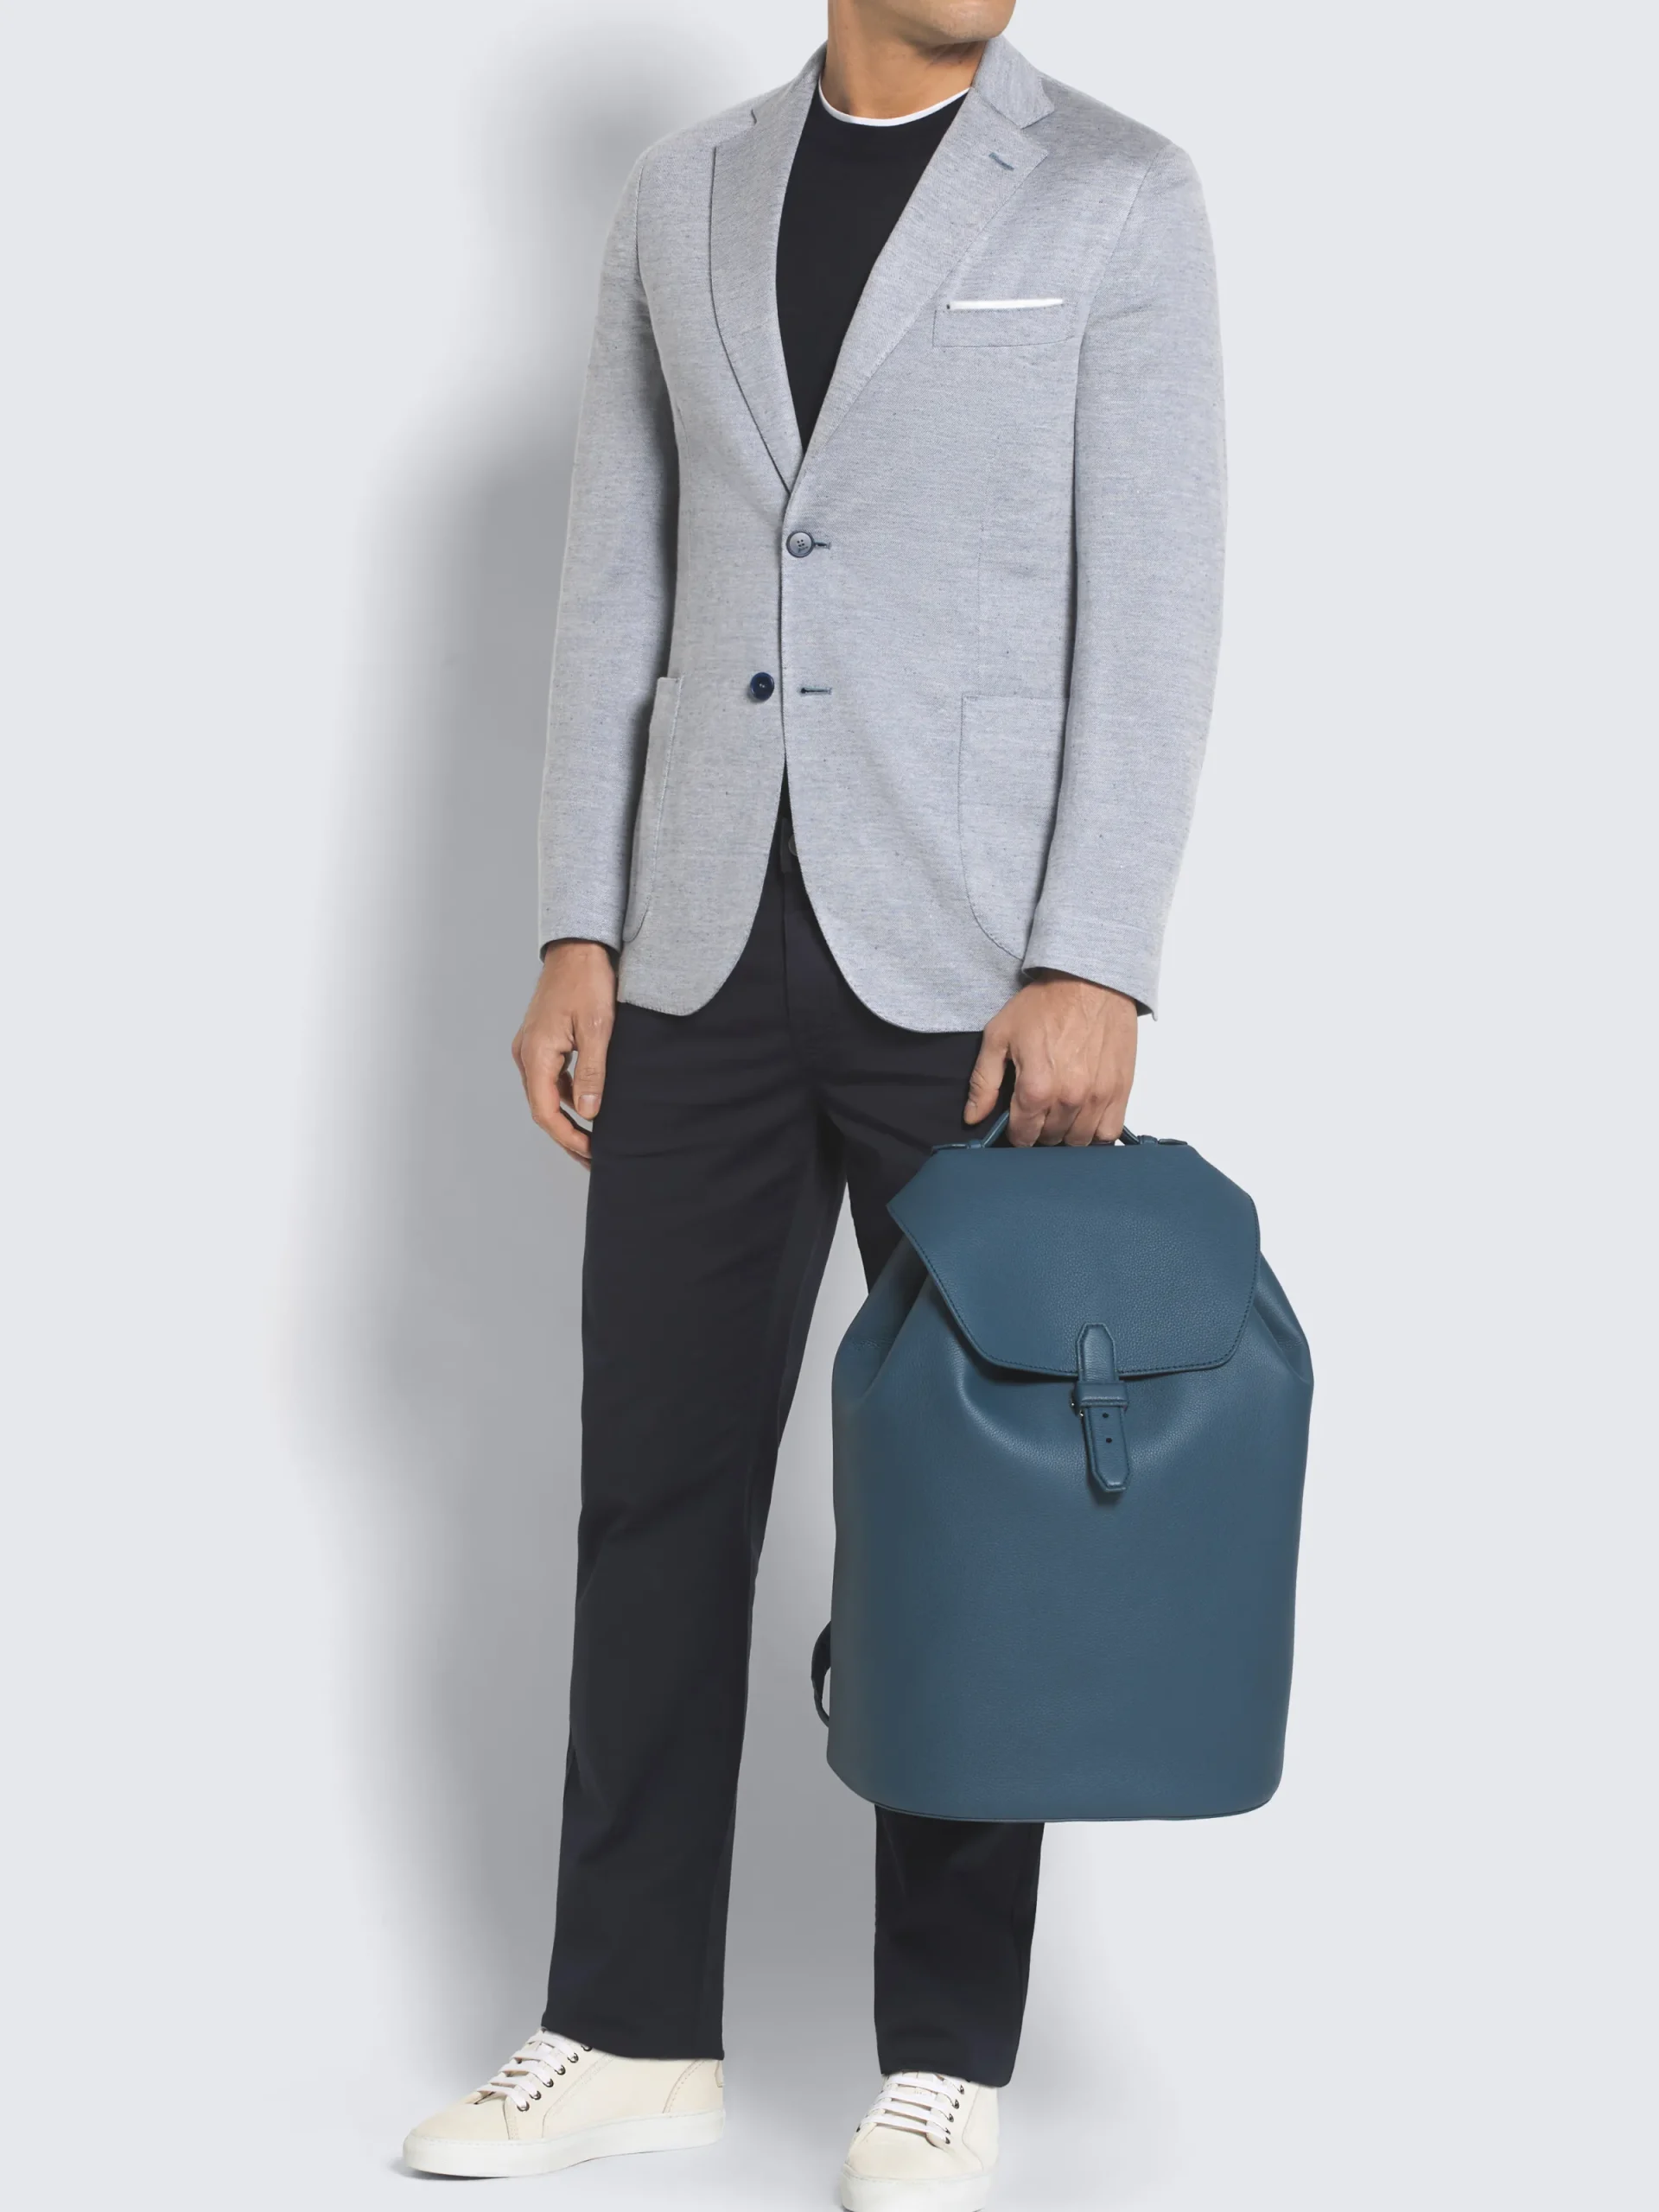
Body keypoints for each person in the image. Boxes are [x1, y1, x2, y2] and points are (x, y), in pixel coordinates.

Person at [404, 1, 1224, 2202]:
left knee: (972, 1510)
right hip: (694, 943)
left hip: (973, 962)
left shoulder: (1119, 195)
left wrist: (1095, 953)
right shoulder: (681, 195)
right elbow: (622, 574)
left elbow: (1155, 606)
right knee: (655, 1487)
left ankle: (944, 2054)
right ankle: (625, 2024)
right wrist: (577, 922)